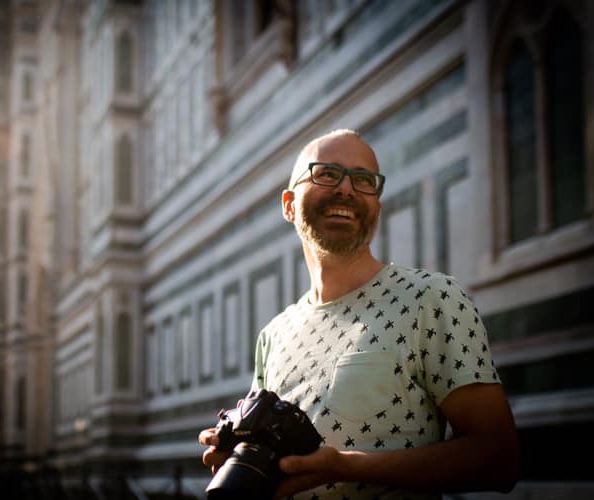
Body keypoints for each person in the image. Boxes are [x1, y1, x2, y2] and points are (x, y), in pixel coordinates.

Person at [199, 129, 520, 499]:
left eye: (364, 180)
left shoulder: (432, 298)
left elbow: (499, 460)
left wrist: (345, 467)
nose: (347, 190)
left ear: (377, 207)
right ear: (288, 205)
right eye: (327, 174)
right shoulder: (274, 334)